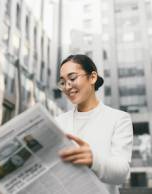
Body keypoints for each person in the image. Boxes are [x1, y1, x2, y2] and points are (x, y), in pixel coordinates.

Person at [56, 54, 133, 194]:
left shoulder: (118, 119)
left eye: (72, 78)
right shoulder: (58, 122)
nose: (67, 86)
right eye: (62, 82)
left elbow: (122, 173)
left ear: (92, 77)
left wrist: (94, 160)